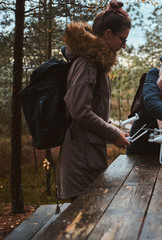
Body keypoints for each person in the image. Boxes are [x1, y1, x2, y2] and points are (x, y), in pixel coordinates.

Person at [57, 0, 131, 201]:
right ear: (108, 34)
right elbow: (80, 111)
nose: (124, 45)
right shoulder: (87, 63)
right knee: (83, 227)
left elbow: (93, 113)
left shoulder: (97, 64)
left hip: (88, 157)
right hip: (80, 162)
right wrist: (112, 133)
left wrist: (115, 129)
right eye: (122, 39)